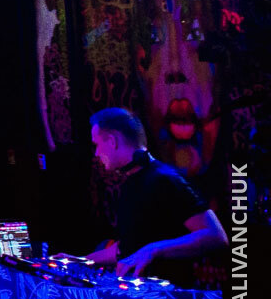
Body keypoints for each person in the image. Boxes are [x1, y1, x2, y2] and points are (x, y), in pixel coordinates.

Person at [83, 107, 226, 285]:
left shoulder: (165, 180)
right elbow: (129, 247)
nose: (96, 154)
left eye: (97, 145)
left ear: (112, 141)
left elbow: (216, 236)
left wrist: (153, 249)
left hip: (169, 297)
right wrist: (80, 261)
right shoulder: (130, 183)